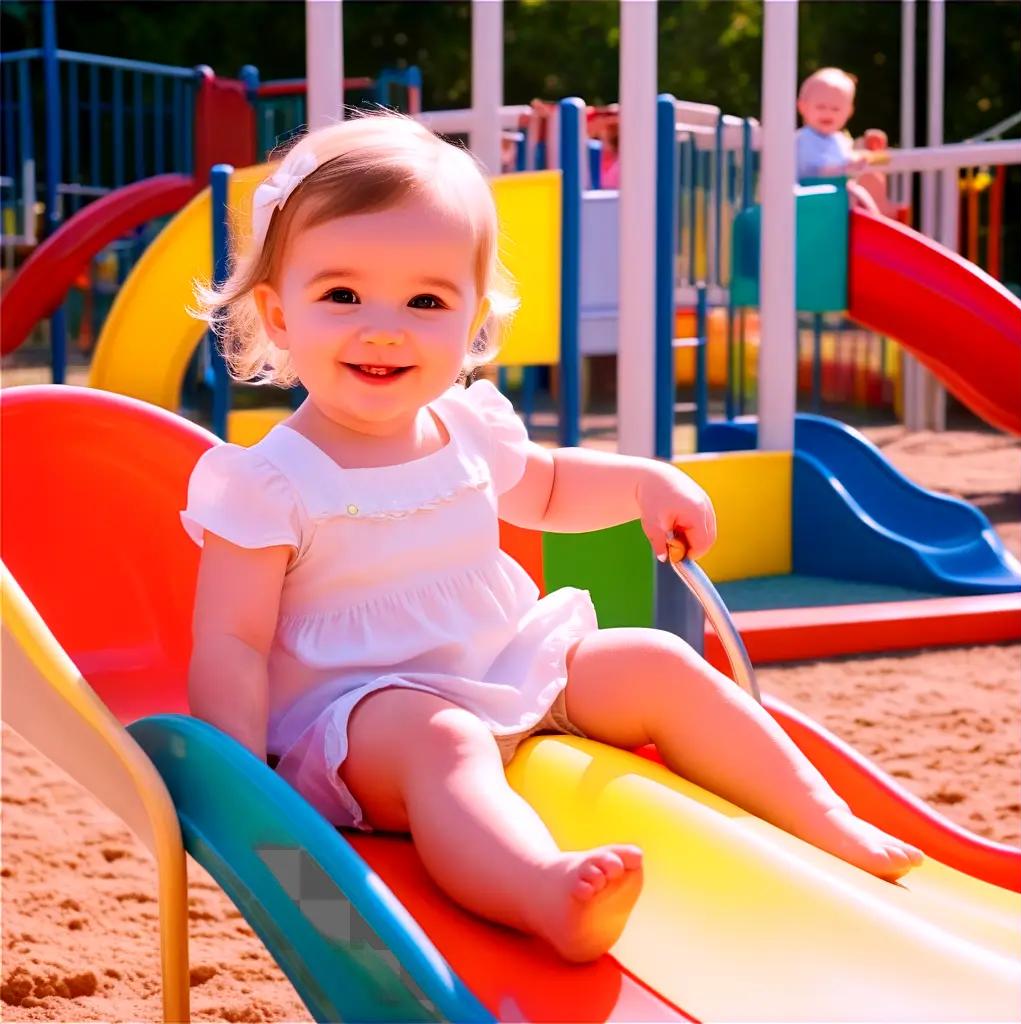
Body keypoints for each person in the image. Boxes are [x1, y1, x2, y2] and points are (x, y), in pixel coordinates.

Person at [184, 111, 922, 963]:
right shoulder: (268, 482)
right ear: (278, 315)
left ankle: (825, 823)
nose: (384, 326)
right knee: (444, 742)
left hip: (502, 662)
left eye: (426, 300)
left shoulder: (466, 427)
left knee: (654, 659)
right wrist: (244, 781)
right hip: (363, 718)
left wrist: (645, 482)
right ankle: (543, 889)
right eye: (342, 294)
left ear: (471, 323)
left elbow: (552, 485)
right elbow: (232, 642)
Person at [797, 67, 896, 217]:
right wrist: (844, 167)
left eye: (836, 109)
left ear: (848, 111)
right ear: (802, 106)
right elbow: (813, 168)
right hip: (809, 206)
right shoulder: (801, 139)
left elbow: (848, 159)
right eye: (821, 107)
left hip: (836, 207)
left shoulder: (840, 140)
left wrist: (861, 159)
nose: (828, 113)